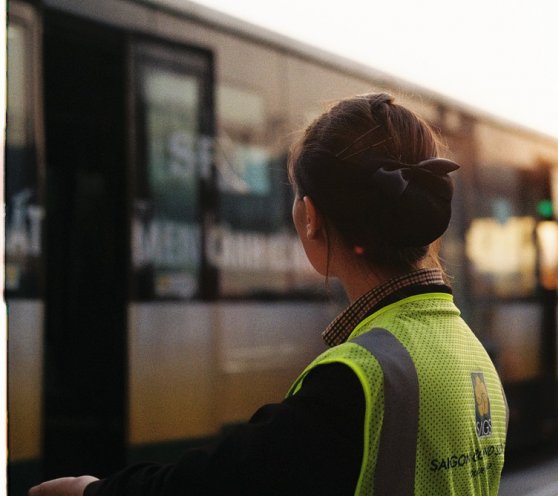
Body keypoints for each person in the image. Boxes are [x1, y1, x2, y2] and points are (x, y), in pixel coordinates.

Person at [30, 93, 508, 496]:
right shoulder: (472, 355)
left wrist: (91, 492)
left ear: (312, 219)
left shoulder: (358, 379)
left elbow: (221, 483)